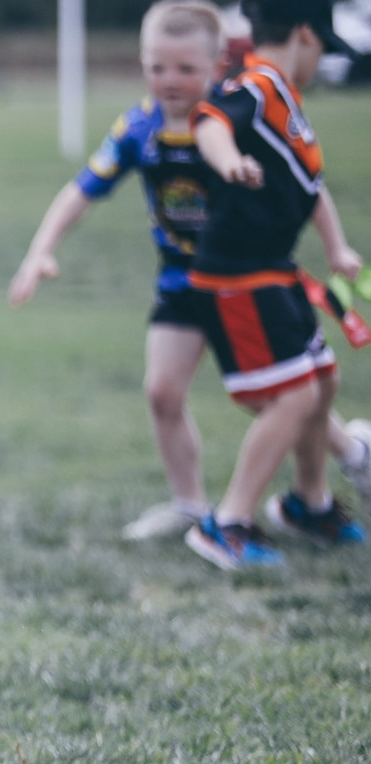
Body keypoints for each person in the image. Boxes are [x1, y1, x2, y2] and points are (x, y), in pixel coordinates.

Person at [6, 0, 371, 541]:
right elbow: (82, 190)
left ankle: (343, 459)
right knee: (164, 393)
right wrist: (41, 248)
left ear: (218, 63)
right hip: (181, 284)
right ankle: (189, 503)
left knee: (282, 395)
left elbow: (306, 186)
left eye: (185, 69)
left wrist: (335, 246)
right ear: (141, 64)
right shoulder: (139, 128)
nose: (169, 81)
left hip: (242, 280)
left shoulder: (234, 116)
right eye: (156, 67)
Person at [179, 0, 364, 569]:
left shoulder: (287, 102)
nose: (321, 62)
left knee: (322, 381)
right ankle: (226, 522)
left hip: (275, 270)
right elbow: (210, 122)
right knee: (294, 395)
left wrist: (335, 246)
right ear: (304, 35)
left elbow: (311, 183)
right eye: (321, 49)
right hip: (238, 275)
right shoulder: (258, 86)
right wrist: (229, 160)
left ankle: (310, 504)